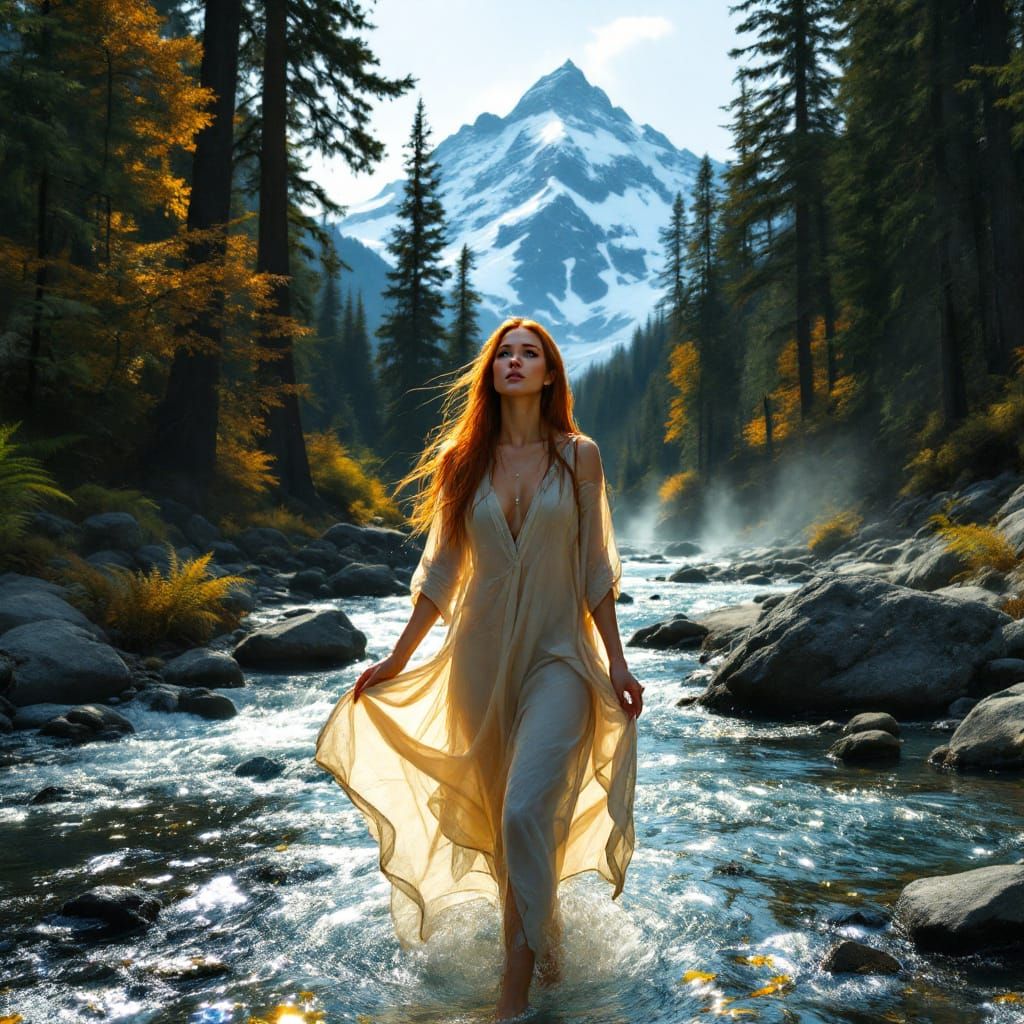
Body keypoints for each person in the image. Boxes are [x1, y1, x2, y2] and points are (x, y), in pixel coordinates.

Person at [315, 316, 643, 1021]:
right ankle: (544, 944)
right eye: (505, 354)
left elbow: (594, 569)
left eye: (531, 354)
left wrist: (617, 662)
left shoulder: (578, 456)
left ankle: (511, 999)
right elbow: (440, 571)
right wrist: (398, 658)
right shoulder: (461, 460)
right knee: (504, 830)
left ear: (551, 374)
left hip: (559, 658)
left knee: (526, 808)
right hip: (477, 662)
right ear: (491, 373)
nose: (516, 362)